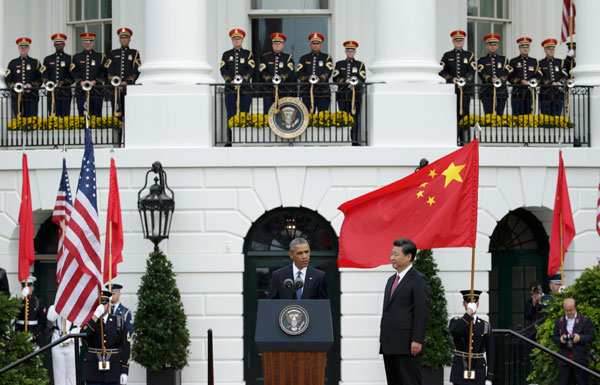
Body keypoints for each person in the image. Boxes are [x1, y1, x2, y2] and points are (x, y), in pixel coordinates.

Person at [379, 238, 430, 385]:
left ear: (408, 257)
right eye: (391, 254)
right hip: (389, 343)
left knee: (409, 381)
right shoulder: (391, 280)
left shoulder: (419, 280)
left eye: (396, 254)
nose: (392, 258)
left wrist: (417, 339)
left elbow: (421, 311)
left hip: (407, 345)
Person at [81, 290, 130, 385]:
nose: (102, 307)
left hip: (113, 370)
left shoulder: (119, 321)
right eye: (99, 305)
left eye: (104, 304)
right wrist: (95, 316)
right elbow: (83, 334)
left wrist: (125, 371)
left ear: (108, 304)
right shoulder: (91, 320)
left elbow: (126, 347)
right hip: (93, 369)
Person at [449, 290, 494, 385]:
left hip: (478, 370)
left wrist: (489, 376)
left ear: (477, 304)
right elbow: (455, 331)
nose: (470, 305)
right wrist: (468, 313)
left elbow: (491, 352)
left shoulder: (485, 325)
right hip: (460, 369)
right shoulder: (456, 321)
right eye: (468, 302)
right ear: (463, 303)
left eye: (473, 302)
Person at [553, 298, 595, 385]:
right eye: (566, 310)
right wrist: (561, 340)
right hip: (564, 359)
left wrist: (580, 338)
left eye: (571, 310)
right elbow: (554, 338)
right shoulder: (560, 321)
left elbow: (591, 336)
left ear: (575, 308)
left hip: (580, 359)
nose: (569, 312)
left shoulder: (584, 320)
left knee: (582, 382)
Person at [333, 40, 367, 146]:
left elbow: (363, 78)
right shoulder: (339, 64)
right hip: (342, 95)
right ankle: (343, 140)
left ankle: (354, 141)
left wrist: (354, 81)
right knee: (343, 118)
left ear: (355, 52)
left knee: (354, 119)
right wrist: (344, 81)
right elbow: (335, 77)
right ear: (345, 51)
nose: (350, 53)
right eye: (348, 51)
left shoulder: (360, 64)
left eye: (352, 51)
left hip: (355, 96)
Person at [439, 30, 476, 125]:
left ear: (463, 41)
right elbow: (441, 70)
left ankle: (464, 138)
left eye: (460, 40)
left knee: (465, 115)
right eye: (456, 40)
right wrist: (451, 79)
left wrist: (464, 80)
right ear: (453, 41)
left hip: (465, 90)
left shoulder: (469, 55)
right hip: (452, 90)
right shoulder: (447, 55)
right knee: (451, 114)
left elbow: (472, 70)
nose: (458, 42)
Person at [105, 27, 141, 120]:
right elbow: (109, 69)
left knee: (129, 115)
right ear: (119, 39)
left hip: (128, 89)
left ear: (129, 39)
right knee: (116, 116)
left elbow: (136, 69)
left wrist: (127, 82)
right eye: (122, 38)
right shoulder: (113, 53)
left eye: (126, 38)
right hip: (115, 89)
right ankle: (118, 133)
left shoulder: (134, 53)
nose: (124, 40)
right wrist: (115, 82)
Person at [5, 37, 44, 118]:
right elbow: (8, 79)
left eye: (25, 47)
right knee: (18, 119)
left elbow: (40, 77)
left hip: (32, 96)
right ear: (18, 48)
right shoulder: (13, 63)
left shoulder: (35, 62)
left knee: (32, 119)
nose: (23, 49)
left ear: (28, 48)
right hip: (17, 96)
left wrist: (32, 86)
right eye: (21, 47)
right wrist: (15, 86)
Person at [71, 32, 106, 117]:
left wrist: (96, 81)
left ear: (93, 42)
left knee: (97, 117)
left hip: (96, 91)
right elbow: (73, 71)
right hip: (81, 92)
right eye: (85, 42)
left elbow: (105, 72)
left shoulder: (100, 56)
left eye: (90, 42)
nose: (87, 44)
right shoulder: (76, 57)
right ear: (82, 43)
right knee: (82, 116)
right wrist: (80, 82)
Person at [259, 32, 295, 114]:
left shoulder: (288, 57)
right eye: (275, 43)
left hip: (284, 91)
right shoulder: (265, 57)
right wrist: (271, 79)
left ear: (283, 45)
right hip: (269, 91)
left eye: (279, 43)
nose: (277, 45)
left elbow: (289, 70)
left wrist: (280, 79)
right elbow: (262, 71)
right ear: (272, 45)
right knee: (268, 115)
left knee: (284, 115)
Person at [297, 32, 333, 114]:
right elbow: (299, 73)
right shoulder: (304, 58)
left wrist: (319, 79)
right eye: (313, 43)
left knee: (323, 118)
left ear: (321, 45)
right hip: (307, 92)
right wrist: (308, 79)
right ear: (310, 45)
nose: (315, 45)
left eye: (318, 43)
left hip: (323, 92)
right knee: (308, 118)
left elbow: (328, 71)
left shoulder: (326, 58)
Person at [477, 33, 511, 115]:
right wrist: (490, 79)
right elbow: (481, 73)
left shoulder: (504, 59)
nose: (492, 47)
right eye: (490, 45)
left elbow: (507, 72)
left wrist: (500, 80)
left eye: (494, 45)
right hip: (487, 91)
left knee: (500, 114)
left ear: (497, 46)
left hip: (501, 91)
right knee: (488, 115)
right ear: (487, 46)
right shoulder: (482, 60)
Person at [47, 305, 80, 385]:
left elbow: (80, 325)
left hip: (72, 342)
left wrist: (71, 335)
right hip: (57, 341)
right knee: (59, 374)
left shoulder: (77, 308)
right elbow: (51, 318)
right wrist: (59, 306)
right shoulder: (54, 307)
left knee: (72, 375)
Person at [42, 33, 73, 117]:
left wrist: (64, 82)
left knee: (65, 116)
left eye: (61, 43)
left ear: (64, 44)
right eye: (57, 44)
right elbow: (44, 74)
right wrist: (48, 83)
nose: (59, 45)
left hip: (65, 91)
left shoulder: (69, 58)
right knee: (52, 115)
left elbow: (73, 75)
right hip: (52, 92)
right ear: (54, 45)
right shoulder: (48, 59)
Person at [508, 37, 540, 115]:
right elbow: (510, 77)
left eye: (527, 47)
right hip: (517, 92)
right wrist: (520, 81)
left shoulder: (535, 61)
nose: (525, 49)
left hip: (530, 93)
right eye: (523, 47)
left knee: (530, 115)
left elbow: (539, 76)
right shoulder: (513, 61)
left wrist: (533, 81)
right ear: (519, 48)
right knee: (517, 116)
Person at [538, 38, 568, 116]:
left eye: (553, 49)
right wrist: (551, 83)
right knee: (545, 118)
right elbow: (540, 77)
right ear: (545, 50)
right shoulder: (540, 63)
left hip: (558, 94)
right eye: (549, 49)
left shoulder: (560, 62)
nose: (551, 51)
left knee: (557, 118)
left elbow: (565, 75)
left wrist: (559, 82)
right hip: (545, 94)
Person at [15, 275, 47, 346]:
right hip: (19, 335)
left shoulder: (38, 302)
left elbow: (42, 322)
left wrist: (33, 335)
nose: (26, 288)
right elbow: (13, 313)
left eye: (29, 285)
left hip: (33, 336)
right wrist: (22, 297)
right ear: (21, 288)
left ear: (32, 287)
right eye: (24, 286)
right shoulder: (17, 301)